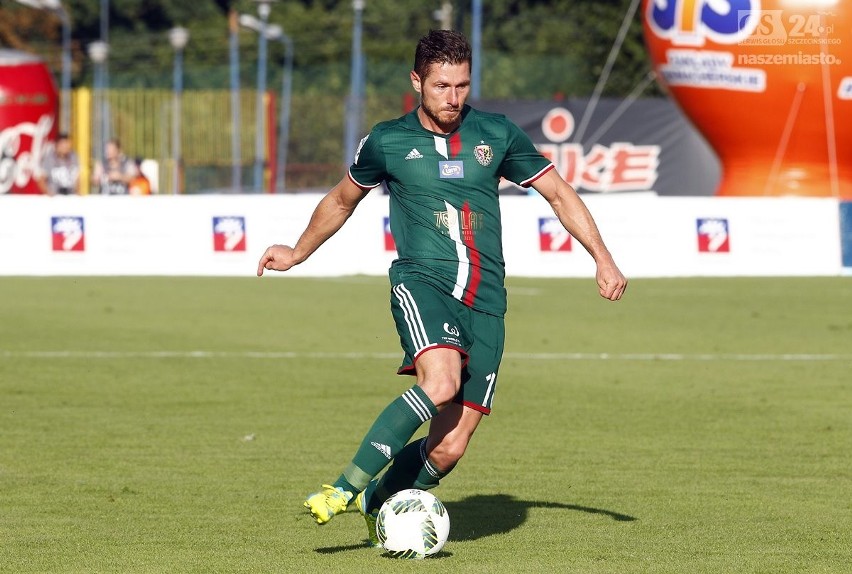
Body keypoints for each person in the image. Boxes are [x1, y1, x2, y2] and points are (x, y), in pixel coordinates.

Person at [256, 29, 627, 546]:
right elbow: (341, 201)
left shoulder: (496, 134)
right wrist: (297, 252)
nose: (453, 98)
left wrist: (602, 257)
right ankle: (343, 487)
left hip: (488, 302)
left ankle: (377, 501)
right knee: (441, 381)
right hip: (422, 282)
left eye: (461, 86)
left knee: (450, 445)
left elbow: (560, 195)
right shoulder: (387, 140)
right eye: (441, 86)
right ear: (417, 82)